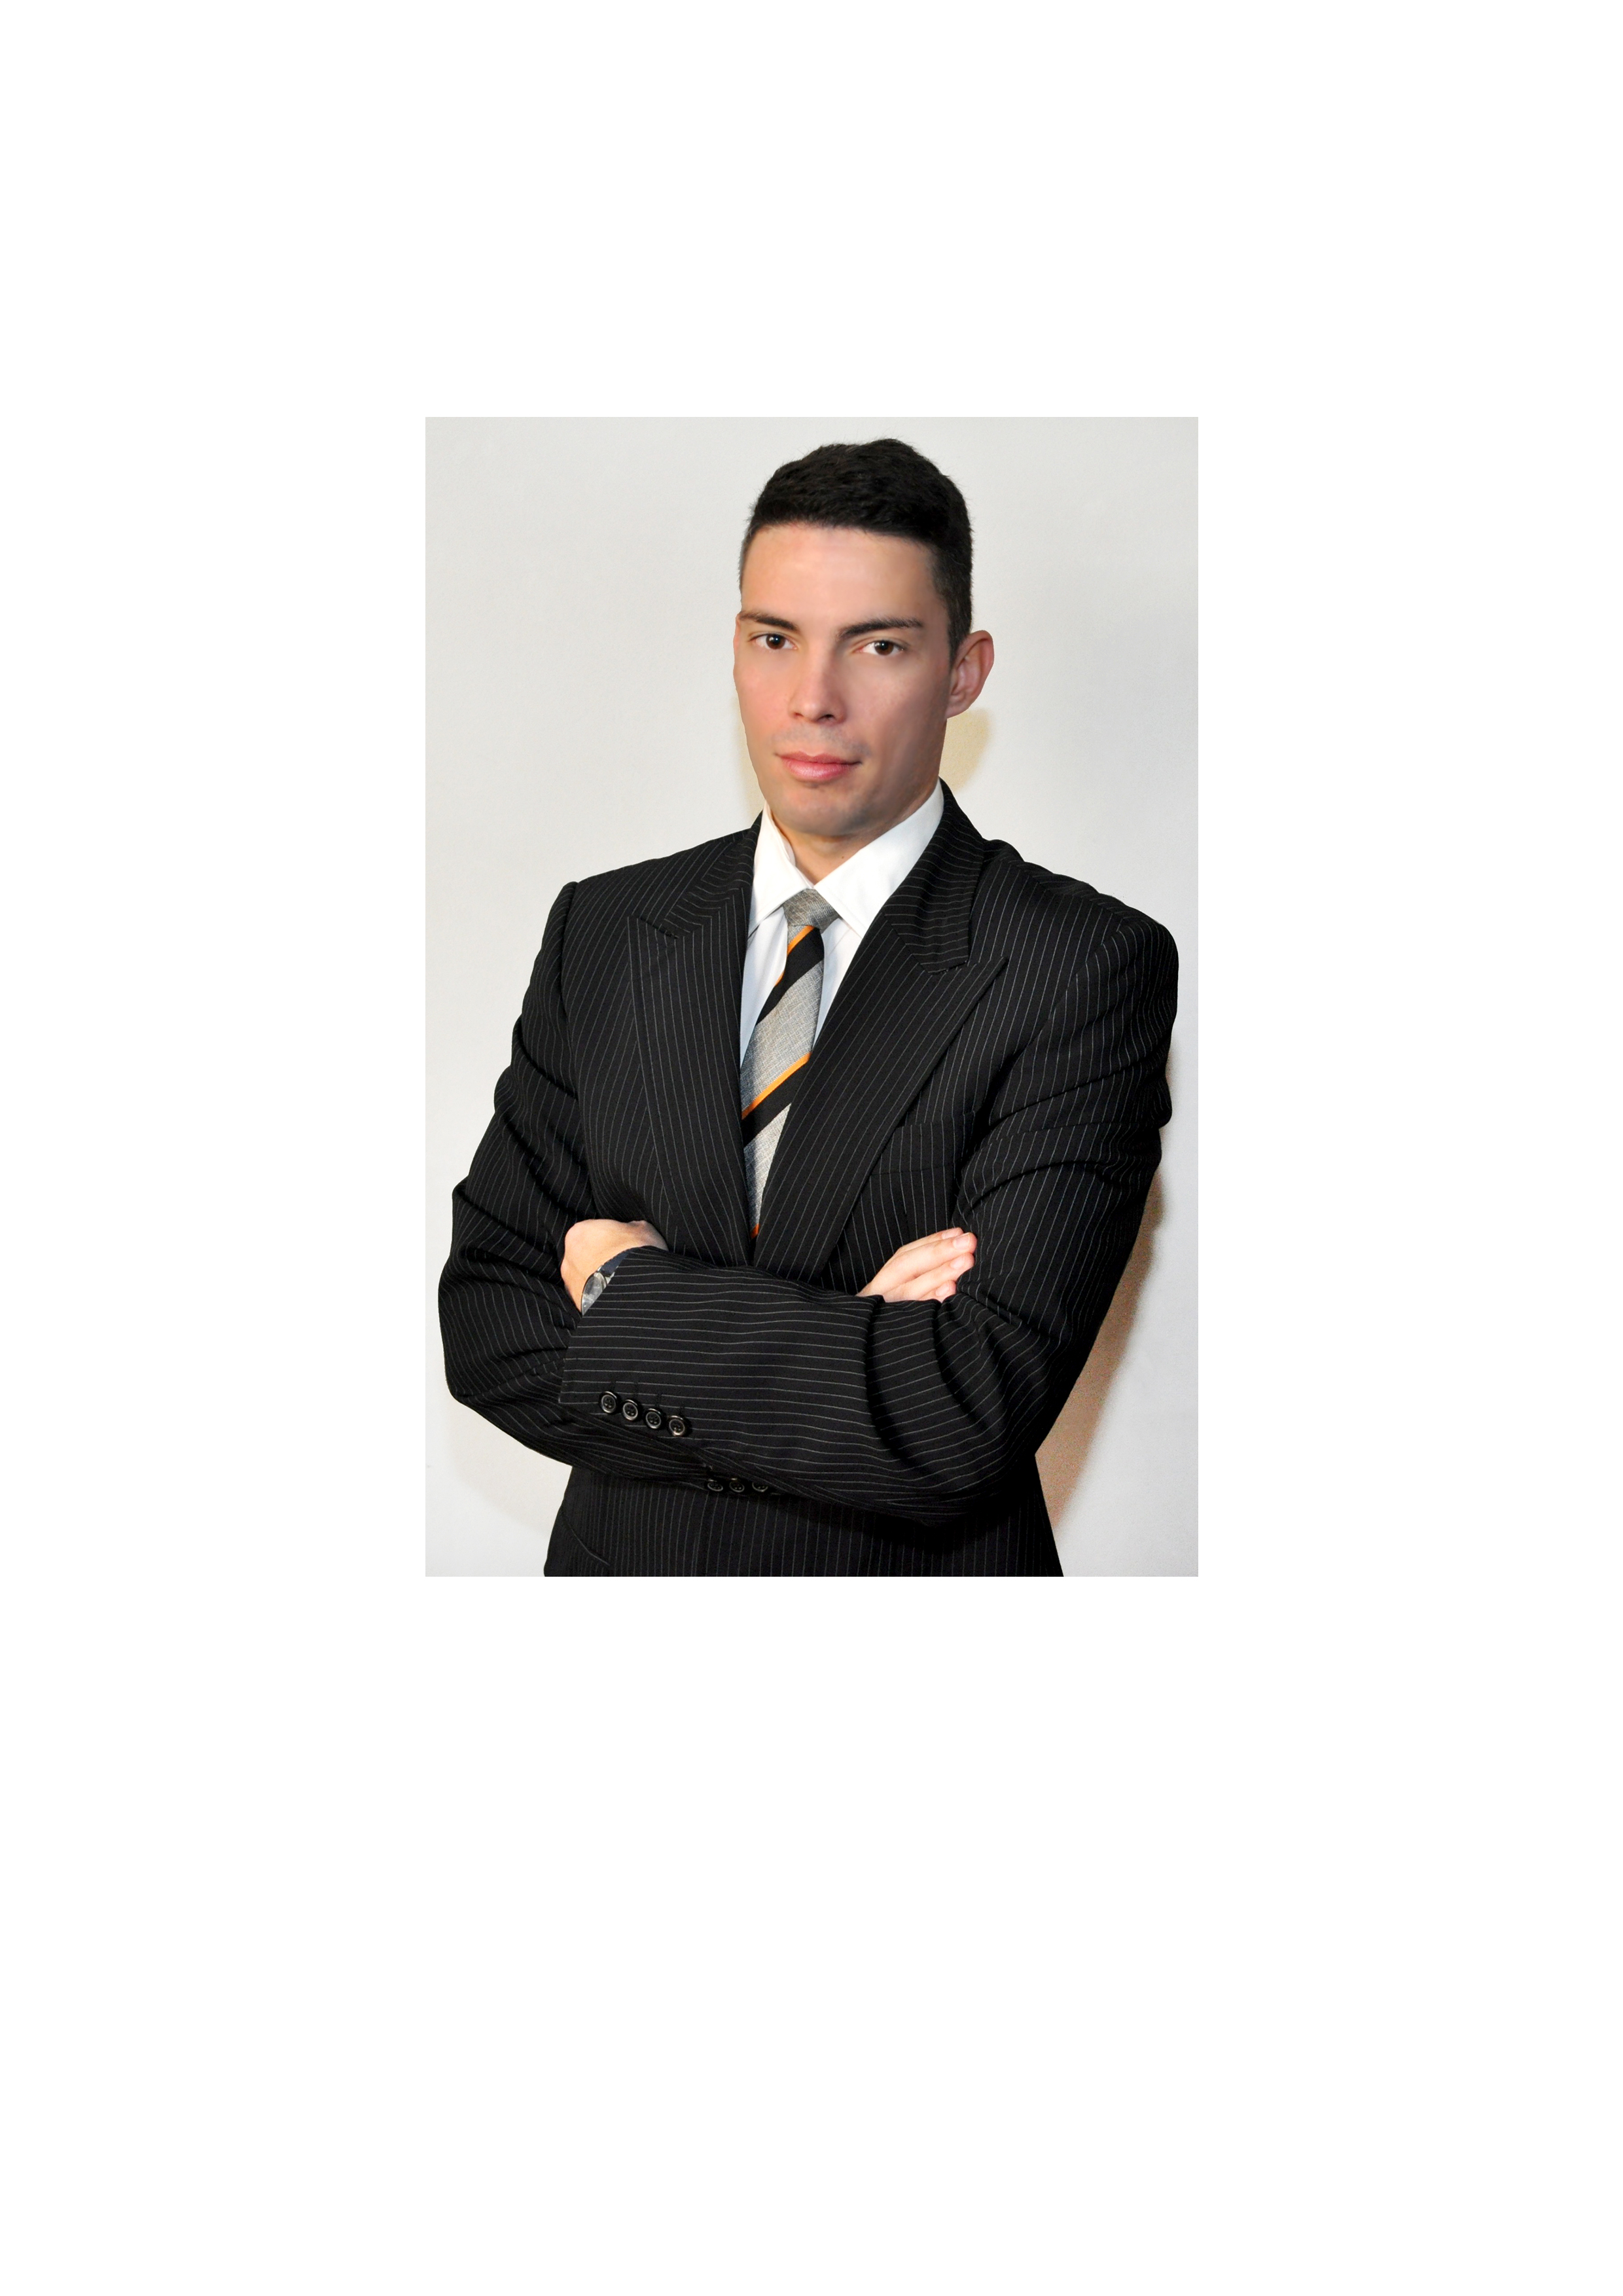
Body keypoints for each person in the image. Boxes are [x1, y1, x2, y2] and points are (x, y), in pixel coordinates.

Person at [439, 438, 1177, 1575]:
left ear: (964, 672)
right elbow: (490, 1322)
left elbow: (963, 1413)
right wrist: (848, 1356)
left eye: (878, 645)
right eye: (774, 639)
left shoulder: (1078, 966)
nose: (813, 699)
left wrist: (629, 1295)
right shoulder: (609, 931)